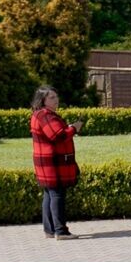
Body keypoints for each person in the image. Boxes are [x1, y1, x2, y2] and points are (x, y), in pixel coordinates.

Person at [30, 86, 82, 240]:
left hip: (46, 162)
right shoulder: (45, 115)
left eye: (56, 96)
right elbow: (57, 136)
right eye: (51, 97)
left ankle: (50, 230)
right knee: (57, 194)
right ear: (43, 100)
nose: (56, 99)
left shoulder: (40, 114)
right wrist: (74, 128)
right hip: (52, 162)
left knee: (49, 194)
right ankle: (60, 231)